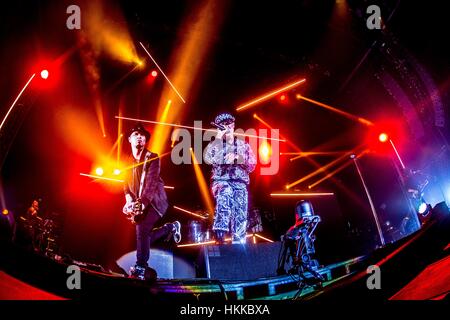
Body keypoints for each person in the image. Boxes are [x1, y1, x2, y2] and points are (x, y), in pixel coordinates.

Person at [123, 123, 181, 281]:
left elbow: (151, 183)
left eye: (142, 135)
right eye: (135, 134)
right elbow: (125, 183)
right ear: (129, 139)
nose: (139, 137)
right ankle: (171, 227)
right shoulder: (127, 161)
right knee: (145, 234)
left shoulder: (152, 157)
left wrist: (142, 204)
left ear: (146, 140)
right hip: (140, 202)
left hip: (155, 201)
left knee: (141, 230)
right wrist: (128, 199)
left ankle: (141, 266)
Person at [204, 112, 256, 244]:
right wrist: (217, 138)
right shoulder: (215, 144)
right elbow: (208, 159)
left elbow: (252, 165)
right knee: (225, 194)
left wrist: (238, 158)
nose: (226, 128)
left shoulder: (243, 145)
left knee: (240, 215)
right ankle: (219, 233)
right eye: (222, 126)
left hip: (240, 182)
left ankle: (239, 245)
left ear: (233, 125)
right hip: (221, 182)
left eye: (228, 124)